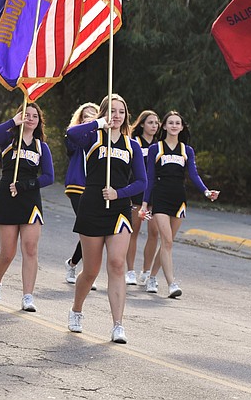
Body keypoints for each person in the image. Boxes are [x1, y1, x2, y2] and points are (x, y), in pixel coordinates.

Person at [64, 94, 147, 343]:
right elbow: (71, 134)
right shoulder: (92, 138)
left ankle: (118, 325)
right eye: (111, 111)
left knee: (117, 264)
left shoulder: (131, 145)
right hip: (92, 205)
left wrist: (119, 193)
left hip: (119, 207)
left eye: (121, 111)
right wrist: (99, 123)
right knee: (91, 270)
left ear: (126, 116)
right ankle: (76, 309)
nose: (117, 115)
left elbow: (142, 181)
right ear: (103, 113)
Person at [0, 104, 55, 311]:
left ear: (39, 121)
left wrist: (26, 185)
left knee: (30, 249)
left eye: (35, 116)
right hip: (7, 195)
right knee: (7, 253)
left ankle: (27, 297)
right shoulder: (8, 139)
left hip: (30, 198)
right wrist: (12, 123)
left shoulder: (42, 147)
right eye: (26, 115)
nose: (30, 119)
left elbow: (49, 177)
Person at [142, 111, 219, 297]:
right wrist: (145, 204)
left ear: (182, 127)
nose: (174, 125)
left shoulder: (187, 150)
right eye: (171, 122)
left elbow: (193, 175)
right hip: (160, 197)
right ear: (165, 126)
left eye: (178, 123)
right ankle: (171, 284)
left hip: (179, 199)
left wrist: (206, 192)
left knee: (168, 243)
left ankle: (152, 276)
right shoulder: (156, 148)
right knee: (166, 241)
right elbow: (150, 178)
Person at [63, 102, 100, 286]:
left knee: (91, 229)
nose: (90, 117)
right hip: (77, 187)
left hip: (95, 187)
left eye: (94, 114)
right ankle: (86, 271)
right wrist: (88, 125)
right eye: (86, 115)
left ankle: (72, 263)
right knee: (87, 225)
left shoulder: (102, 137)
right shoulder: (76, 135)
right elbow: (70, 140)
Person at [128, 110, 161, 285]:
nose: (154, 126)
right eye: (150, 122)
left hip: (154, 193)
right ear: (142, 124)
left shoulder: (160, 145)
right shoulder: (135, 143)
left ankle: (146, 271)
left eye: (156, 123)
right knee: (134, 230)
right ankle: (130, 271)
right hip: (137, 192)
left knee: (154, 232)